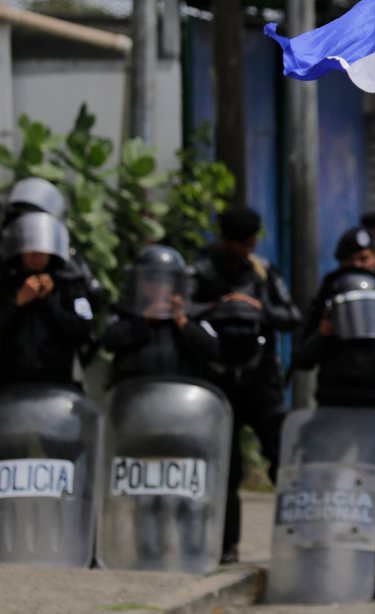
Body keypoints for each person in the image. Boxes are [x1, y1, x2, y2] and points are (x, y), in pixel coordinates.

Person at [292, 239, 375, 598]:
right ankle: (327, 570)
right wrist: (323, 333)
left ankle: (366, 572)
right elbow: (301, 359)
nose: (358, 264)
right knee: (330, 496)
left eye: (364, 257)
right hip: (337, 412)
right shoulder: (327, 300)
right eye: (350, 259)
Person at [190, 204, 302, 563]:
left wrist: (257, 308)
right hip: (219, 378)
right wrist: (221, 305)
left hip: (261, 379)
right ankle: (226, 547)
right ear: (224, 240)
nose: (246, 249)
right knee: (226, 466)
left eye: (250, 241)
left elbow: (291, 316)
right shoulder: (201, 269)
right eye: (239, 242)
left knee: (284, 455)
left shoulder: (263, 272)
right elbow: (181, 309)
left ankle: (297, 542)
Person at [101, 245, 221, 385]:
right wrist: (143, 318)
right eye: (150, 280)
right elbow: (108, 341)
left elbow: (214, 350)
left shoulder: (193, 316)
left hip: (180, 396)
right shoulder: (125, 313)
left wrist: (181, 321)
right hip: (134, 396)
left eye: (164, 282)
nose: (157, 287)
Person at [0, 212, 94, 390]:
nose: (37, 256)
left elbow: (84, 329)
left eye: (42, 251)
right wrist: (18, 302)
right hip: (9, 385)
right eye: (31, 249)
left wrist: (49, 301)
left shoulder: (71, 282)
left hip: (56, 384)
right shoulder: (6, 280)